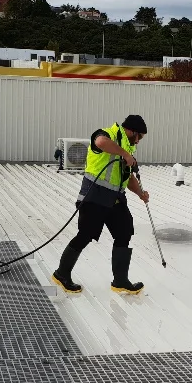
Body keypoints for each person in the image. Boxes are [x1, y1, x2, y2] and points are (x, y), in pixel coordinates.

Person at [53, 115, 150, 295]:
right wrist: (125, 154)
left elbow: (127, 178)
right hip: (94, 197)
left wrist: (140, 194)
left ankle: (120, 281)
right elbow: (100, 142)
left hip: (115, 200)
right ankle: (61, 274)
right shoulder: (109, 134)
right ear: (132, 131)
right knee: (85, 235)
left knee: (124, 231)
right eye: (140, 137)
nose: (139, 141)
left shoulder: (127, 147)